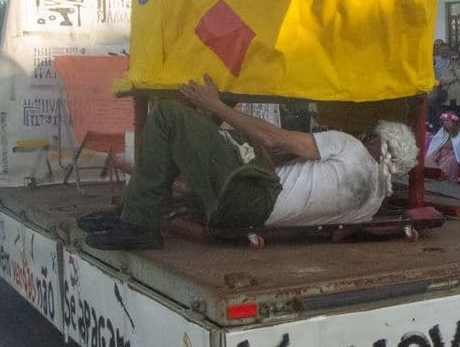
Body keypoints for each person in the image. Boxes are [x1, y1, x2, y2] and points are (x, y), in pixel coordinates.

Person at [84, 76, 419, 250]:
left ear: (378, 142)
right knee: (200, 138)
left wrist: (215, 105)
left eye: (374, 134)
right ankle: (134, 213)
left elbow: (271, 138)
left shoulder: (351, 148)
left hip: (250, 195)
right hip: (249, 214)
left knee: (168, 117)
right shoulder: (373, 202)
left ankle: (139, 225)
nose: (368, 135)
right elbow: (302, 188)